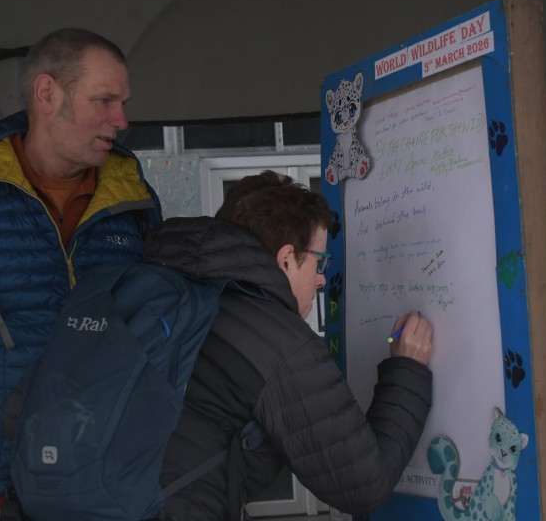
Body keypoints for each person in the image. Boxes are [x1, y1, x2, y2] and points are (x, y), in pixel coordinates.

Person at [142, 170, 433, 520]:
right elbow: (364, 484)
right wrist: (406, 369)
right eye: (319, 261)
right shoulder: (277, 343)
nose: (322, 280)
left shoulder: (173, 290)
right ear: (285, 259)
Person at [0, 28, 162, 519]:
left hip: (101, 479)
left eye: (122, 103)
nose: (121, 121)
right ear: (47, 94)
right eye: (103, 101)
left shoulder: (134, 197)